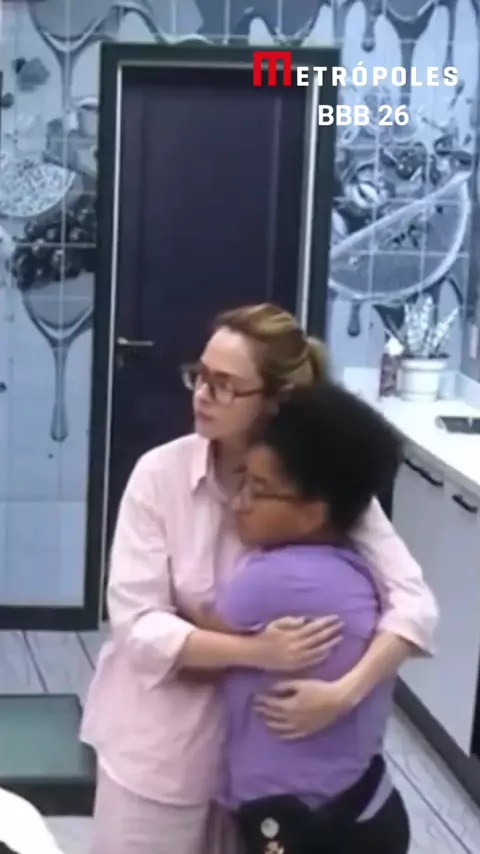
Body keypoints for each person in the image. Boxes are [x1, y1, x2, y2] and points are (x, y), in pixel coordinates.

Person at [81, 303, 438, 854]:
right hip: (160, 753)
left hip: (263, 771)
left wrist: (342, 695)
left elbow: (414, 605)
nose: (202, 395)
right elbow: (139, 625)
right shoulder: (160, 474)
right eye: (199, 376)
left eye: (224, 385)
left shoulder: (321, 484)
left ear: (275, 399)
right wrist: (258, 651)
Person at [200, 381, 410, 853]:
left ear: (313, 512)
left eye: (259, 490)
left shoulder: (274, 580)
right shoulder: (352, 565)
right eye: (242, 482)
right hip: (361, 805)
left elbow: (195, 659)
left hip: (305, 829)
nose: (239, 502)